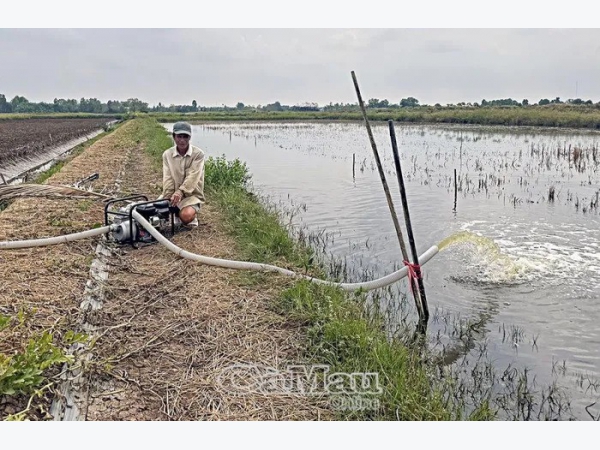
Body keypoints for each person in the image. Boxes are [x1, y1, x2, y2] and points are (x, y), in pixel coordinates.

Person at [159, 121, 205, 226]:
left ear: (190, 137)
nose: (182, 140)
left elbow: (193, 177)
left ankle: (190, 215)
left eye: (186, 137)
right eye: (179, 136)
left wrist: (180, 191)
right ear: (174, 136)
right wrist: (168, 196)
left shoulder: (198, 154)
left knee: (185, 216)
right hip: (173, 195)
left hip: (191, 196)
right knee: (156, 211)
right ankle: (175, 212)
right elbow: (168, 178)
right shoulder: (167, 154)